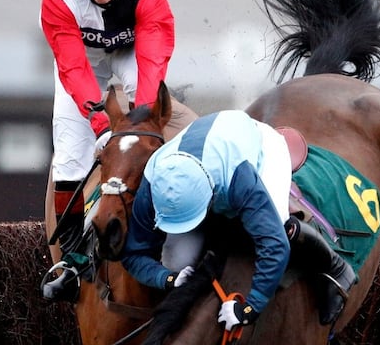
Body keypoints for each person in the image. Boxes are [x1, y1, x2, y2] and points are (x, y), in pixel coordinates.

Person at [39, 0, 196, 302]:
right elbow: (74, 67)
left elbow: (153, 58)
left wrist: (141, 119)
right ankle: (72, 265)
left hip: (131, 51)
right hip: (82, 60)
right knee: (69, 158)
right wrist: (100, 124)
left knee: (147, 128)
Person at [121, 110, 358, 329]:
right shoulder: (152, 182)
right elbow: (133, 255)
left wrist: (249, 308)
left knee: (282, 227)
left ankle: (337, 268)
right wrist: (168, 277)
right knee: (175, 261)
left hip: (258, 146)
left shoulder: (240, 178)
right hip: (204, 150)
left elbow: (275, 245)